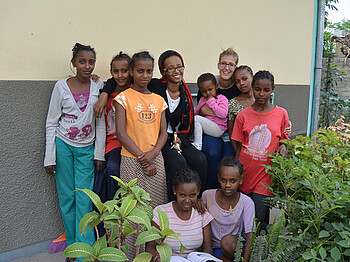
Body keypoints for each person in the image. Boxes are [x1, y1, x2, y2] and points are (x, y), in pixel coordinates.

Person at [44, 43, 105, 262]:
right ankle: (73, 248)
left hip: (87, 149)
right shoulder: (61, 87)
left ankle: (85, 252)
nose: (87, 66)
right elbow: (51, 122)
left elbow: (101, 123)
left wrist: (99, 154)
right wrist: (49, 157)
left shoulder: (98, 86)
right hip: (63, 147)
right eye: (82, 61)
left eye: (91, 62)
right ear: (73, 63)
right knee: (67, 198)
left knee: (84, 199)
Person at [114, 51, 168, 259]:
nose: (144, 75)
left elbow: (164, 133)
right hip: (131, 160)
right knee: (132, 208)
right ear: (132, 72)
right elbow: (121, 133)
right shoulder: (123, 98)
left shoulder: (159, 100)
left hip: (156, 159)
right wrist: (142, 157)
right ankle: (129, 254)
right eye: (140, 71)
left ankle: (152, 252)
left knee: (154, 206)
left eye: (148, 71)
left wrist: (153, 154)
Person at [231, 70, 290, 231]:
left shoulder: (281, 114)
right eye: (257, 89)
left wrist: (283, 146)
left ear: (273, 89)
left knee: (258, 216)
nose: (262, 94)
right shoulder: (243, 115)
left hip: (266, 174)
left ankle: (263, 247)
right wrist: (239, 164)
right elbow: (236, 141)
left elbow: (284, 137)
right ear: (252, 88)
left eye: (266, 90)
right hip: (246, 171)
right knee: (244, 218)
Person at [148, 50, 207, 201]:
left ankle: (197, 199)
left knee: (200, 159)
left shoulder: (185, 92)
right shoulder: (155, 86)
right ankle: (173, 202)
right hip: (161, 138)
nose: (177, 71)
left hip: (179, 137)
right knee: (178, 162)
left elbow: (187, 124)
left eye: (180, 66)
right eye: (171, 68)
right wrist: (105, 92)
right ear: (163, 71)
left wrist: (179, 138)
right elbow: (130, 80)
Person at [93, 52, 131, 236]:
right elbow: (102, 125)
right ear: (111, 72)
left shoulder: (135, 91)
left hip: (131, 143)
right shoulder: (107, 95)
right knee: (112, 169)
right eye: (116, 71)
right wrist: (104, 92)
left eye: (124, 70)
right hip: (112, 143)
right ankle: (109, 221)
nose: (120, 75)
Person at [146, 168, 213, 259]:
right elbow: (151, 246)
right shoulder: (160, 213)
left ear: (198, 192)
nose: (187, 200)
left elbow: (208, 248)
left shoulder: (201, 213)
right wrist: (156, 259)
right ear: (174, 191)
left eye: (192, 195)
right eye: (182, 195)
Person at [197, 48, 240, 190]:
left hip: (230, 133)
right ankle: (207, 192)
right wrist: (211, 112)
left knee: (227, 161)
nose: (226, 68)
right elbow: (202, 110)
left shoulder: (239, 86)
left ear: (235, 67)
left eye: (231, 64)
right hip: (212, 130)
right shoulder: (208, 83)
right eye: (223, 63)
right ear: (218, 65)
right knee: (212, 153)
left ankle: (223, 195)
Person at [201, 157, 255, 262]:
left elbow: (250, 236)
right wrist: (197, 202)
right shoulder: (207, 196)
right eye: (223, 180)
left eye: (233, 181)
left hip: (235, 247)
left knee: (226, 242)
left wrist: (246, 260)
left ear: (241, 180)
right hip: (214, 249)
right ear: (218, 178)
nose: (227, 185)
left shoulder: (246, 202)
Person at [193, 73, 228, 151]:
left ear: (216, 86)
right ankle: (195, 140)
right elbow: (196, 114)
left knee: (196, 119)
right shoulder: (202, 100)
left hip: (219, 128)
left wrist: (211, 102)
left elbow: (223, 114)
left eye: (210, 89)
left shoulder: (222, 98)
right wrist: (202, 112)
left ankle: (198, 144)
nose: (208, 93)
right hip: (207, 127)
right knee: (195, 119)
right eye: (204, 91)